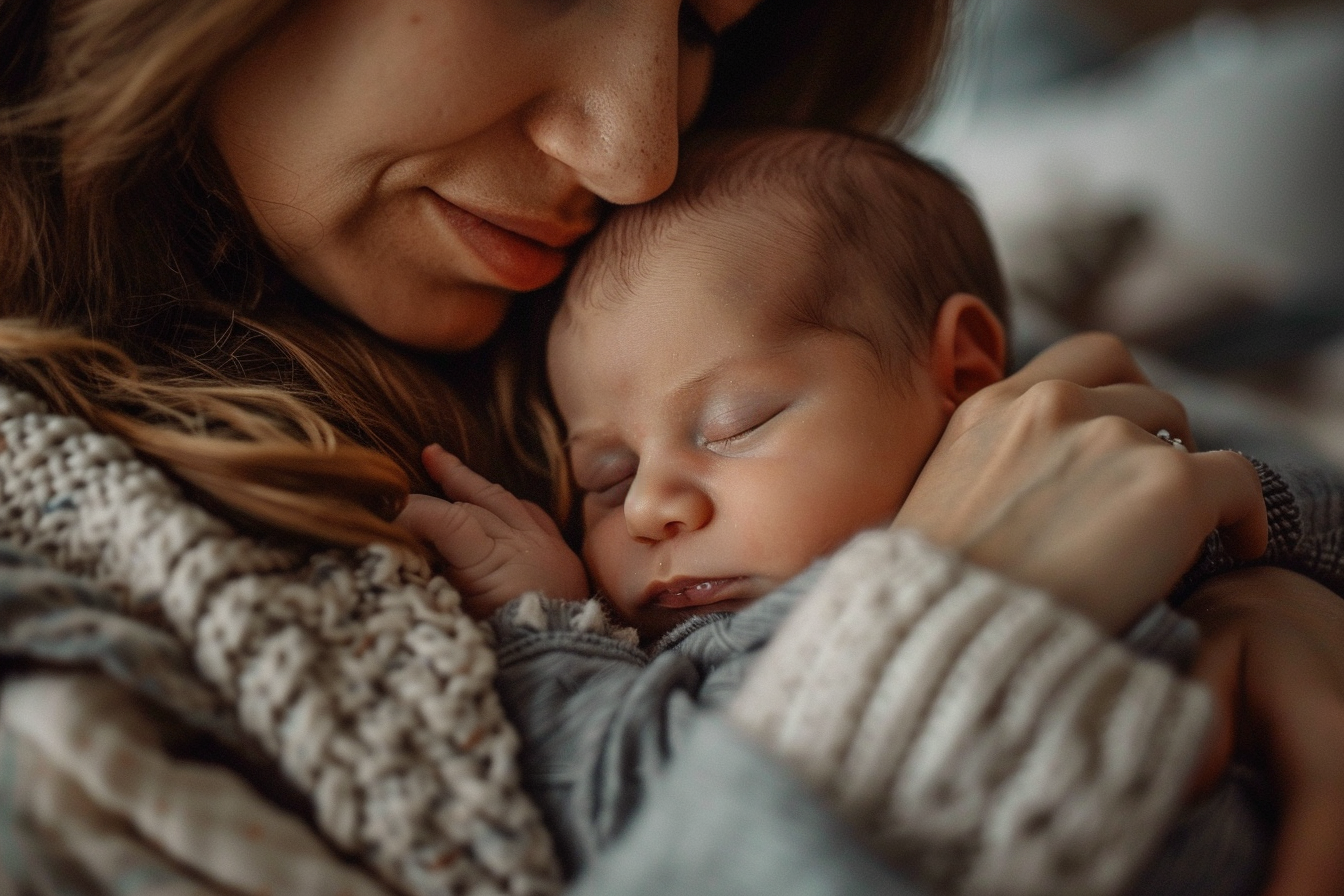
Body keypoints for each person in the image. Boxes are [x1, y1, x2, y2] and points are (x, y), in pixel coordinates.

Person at [1, 3, 1342, 896]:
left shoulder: (724, 258)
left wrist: (1258, 571)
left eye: (702, 22)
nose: (638, 155)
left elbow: (1155, 446)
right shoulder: (62, 602)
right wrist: (978, 624)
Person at [397, 126, 1343, 894]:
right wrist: (546, 629)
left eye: (736, 424)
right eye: (605, 477)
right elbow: (616, 810)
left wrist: (1264, 557)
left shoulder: (1074, 478)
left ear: (962, 372)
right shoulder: (701, 666)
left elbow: (1272, 493)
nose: (648, 506)